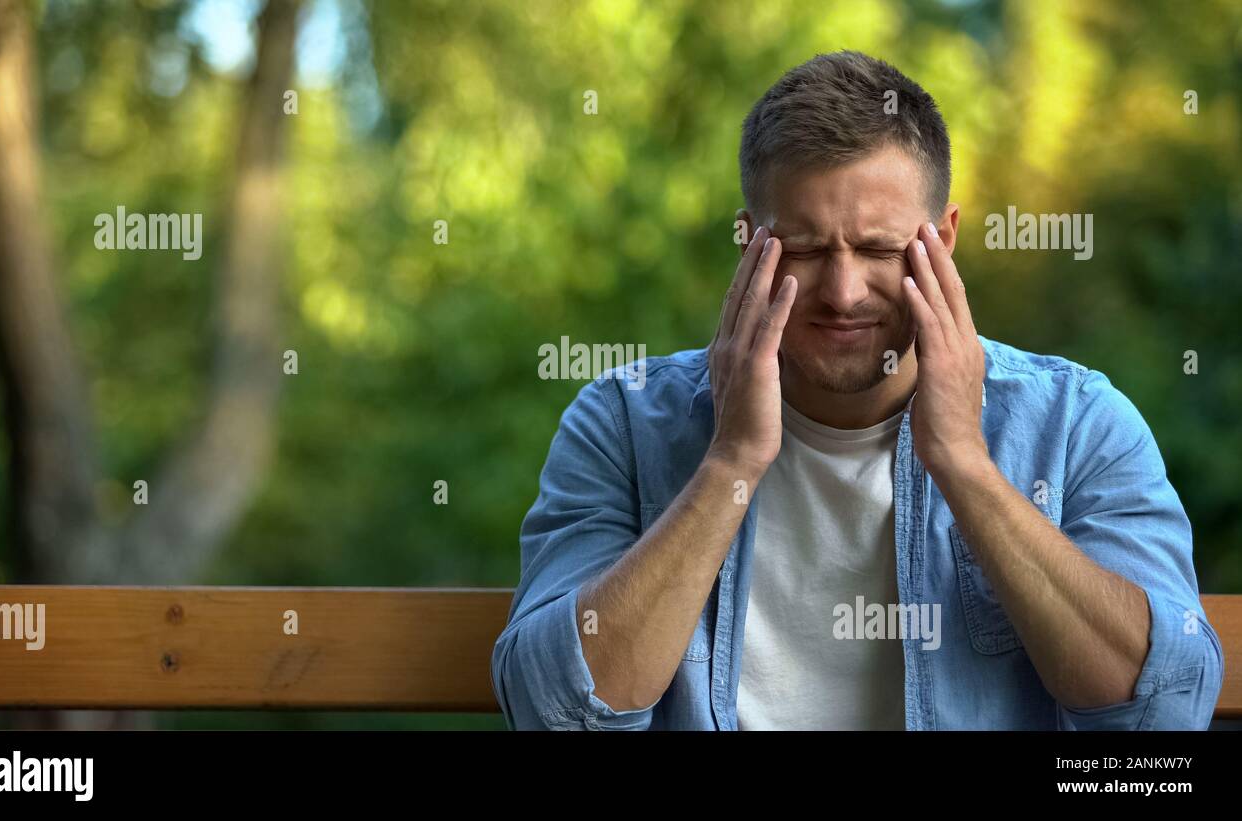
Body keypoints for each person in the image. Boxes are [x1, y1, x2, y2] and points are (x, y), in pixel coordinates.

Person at [491, 50, 1223, 730]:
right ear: (748, 242)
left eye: (878, 248)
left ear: (946, 237)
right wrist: (731, 464)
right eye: (804, 250)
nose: (843, 293)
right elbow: (554, 708)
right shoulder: (622, 422)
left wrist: (965, 463)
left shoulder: (1076, 422)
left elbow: (1162, 711)